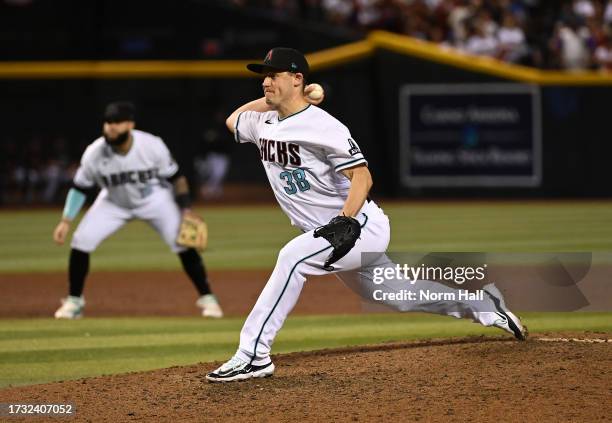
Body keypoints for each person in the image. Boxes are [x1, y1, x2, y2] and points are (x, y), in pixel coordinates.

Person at [206, 48, 526, 383]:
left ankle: (252, 355)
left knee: (292, 259)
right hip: (327, 232)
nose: (266, 81)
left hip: (358, 226)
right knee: (398, 295)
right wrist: (280, 100)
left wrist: (345, 220)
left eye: (274, 75)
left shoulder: (323, 126)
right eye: (264, 75)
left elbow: (362, 176)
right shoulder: (264, 122)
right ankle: (486, 305)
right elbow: (233, 120)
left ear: (297, 78)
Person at [52, 101, 223, 319]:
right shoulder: (94, 153)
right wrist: (66, 220)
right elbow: (80, 187)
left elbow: (176, 177)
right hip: (113, 202)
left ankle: (208, 297)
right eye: (108, 122)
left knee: (183, 242)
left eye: (117, 122)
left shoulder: (151, 145)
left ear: (130, 124)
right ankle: (74, 302)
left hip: (154, 199)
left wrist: (185, 209)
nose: (111, 127)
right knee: (81, 240)